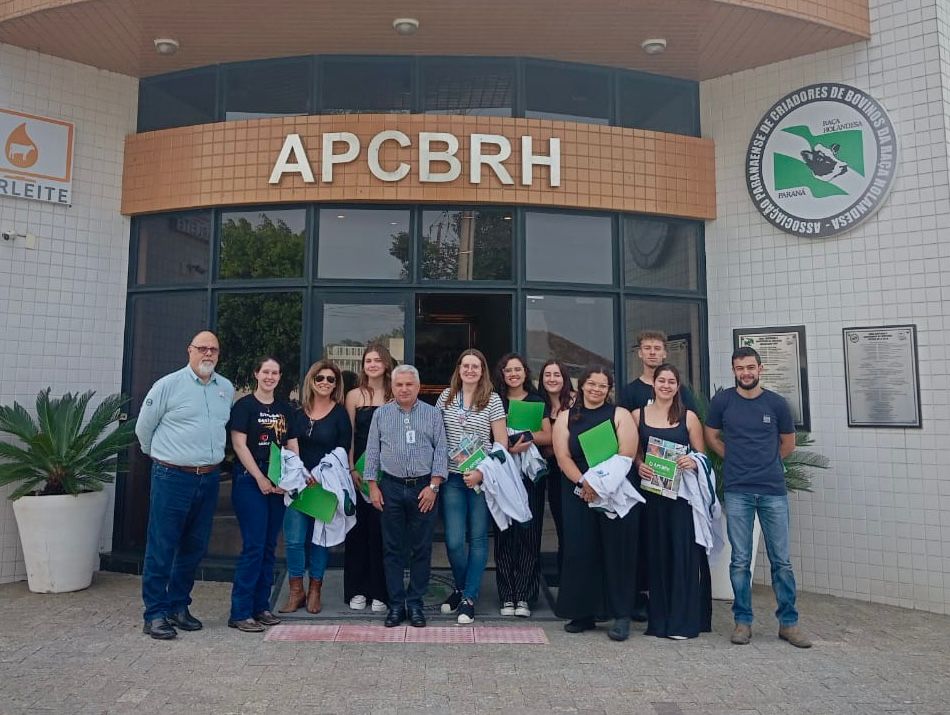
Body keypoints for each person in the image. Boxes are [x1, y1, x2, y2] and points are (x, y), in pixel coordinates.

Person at [704, 346, 812, 648]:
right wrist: (732, 457)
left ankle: (788, 624)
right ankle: (743, 622)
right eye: (740, 368)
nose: (746, 373)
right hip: (738, 490)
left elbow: (788, 444)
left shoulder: (776, 404)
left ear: (760, 369)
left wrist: (768, 463)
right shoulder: (723, 401)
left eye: (750, 367)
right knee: (740, 560)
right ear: (734, 370)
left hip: (772, 491)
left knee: (782, 561)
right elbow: (710, 435)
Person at [135, 331, 235, 640]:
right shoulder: (168, 385)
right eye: (202, 348)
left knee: (194, 547)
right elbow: (144, 429)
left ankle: (179, 606)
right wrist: (166, 458)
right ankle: (154, 613)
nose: (208, 354)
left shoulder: (225, 388)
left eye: (213, 350)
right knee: (162, 546)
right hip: (172, 477)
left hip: (208, 477)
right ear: (189, 350)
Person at [553, 365, 640, 641]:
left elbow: (627, 453)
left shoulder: (620, 415)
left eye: (603, 386)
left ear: (609, 389)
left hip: (614, 491)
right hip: (579, 492)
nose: (596, 389)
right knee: (580, 550)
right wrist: (584, 484)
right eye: (592, 384)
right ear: (582, 386)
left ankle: (621, 615)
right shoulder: (566, 417)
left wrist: (600, 484)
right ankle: (583, 613)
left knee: (617, 552)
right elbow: (563, 457)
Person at [619, 329, 697, 621]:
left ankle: (667, 598)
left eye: (657, 348)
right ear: (639, 353)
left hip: (675, 486)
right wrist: (638, 464)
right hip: (642, 481)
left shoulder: (681, 392)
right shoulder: (629, 393)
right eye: (647, 348)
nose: (652, 352)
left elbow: (691, 435)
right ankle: (641, 597)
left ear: (665, 353)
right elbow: (624, 433)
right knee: (642, 540)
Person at [363, 365, 448, 628]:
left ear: (418, 386)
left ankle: (416, 604)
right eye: (399, 384)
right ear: (393, 386)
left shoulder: (433, 414)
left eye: (409, 384)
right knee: (392, 549)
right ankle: (396, 605)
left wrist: (434, 486)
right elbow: (372, 452)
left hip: (423, 489)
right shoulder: (381, 414)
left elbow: (441, 451)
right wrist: (373, 487)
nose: (404, 389)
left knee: (421, 548)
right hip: (390, 487)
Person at [632, 363, 710, 639]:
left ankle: (681, 623)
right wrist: (639, 464)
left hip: (681, 500)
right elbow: (634, 452)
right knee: (657, 555)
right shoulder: (637, 415)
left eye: (671, 382)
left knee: (681, 555)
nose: (666, 385)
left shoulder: (688, 418)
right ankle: (659, 622)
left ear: (678, 387)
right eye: (661, 380)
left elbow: (704, 457)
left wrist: (693, 460)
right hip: (651, 496)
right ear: (653, 384)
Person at [436, 349, 507, 625]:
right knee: (454, 541)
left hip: (480, 477)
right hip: (453, 477)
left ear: (482, 370)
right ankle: (461, 586)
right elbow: (437, 434)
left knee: (478, 539)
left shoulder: (492, 399)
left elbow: (501, 444)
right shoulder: (446, 396)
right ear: (459, 368)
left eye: (475, 366)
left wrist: (480, 472)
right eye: (465, 365)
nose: (470, 370)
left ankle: (468, 598)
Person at [227, 357, 298, 633]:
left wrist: (289, 479)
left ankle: (261, 607)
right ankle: (240, 611)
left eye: (275, 373)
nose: (270, 376)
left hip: (278, 486)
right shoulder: (244, 406)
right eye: (265, 372)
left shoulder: (284, 409)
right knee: (254, 546)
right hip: (250, 482)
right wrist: (260, 477)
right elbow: (239, 444)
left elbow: (292, 445)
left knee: (269, 546)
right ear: (256, 374)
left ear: (280, 377)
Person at [279, 359, 352, 615]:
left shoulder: (340, 414)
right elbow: (288, 446)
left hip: (324, 485)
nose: (324, 383)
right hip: (299, 484)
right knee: (295, 540)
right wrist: (301, 472)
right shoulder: (296, 413)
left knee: (320, 540)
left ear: (336, 384)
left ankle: (315, 591)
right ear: (311, 380)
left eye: (330, 379)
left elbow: (343, 449)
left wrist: (321, 473)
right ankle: (296, 591)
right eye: (319, 378)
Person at [491, 353, 552, 617]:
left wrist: (524, 438)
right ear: (502, 374)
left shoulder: (537, 401)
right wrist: (508, 443)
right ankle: (507, 595)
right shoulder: (495, 400)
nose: (513, 374)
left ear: (525, 372)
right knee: (504, 532)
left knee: (529, 532)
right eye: (508, 370)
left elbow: (547, 434)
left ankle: (525, 596)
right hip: (504, 473)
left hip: (530, 475)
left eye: (518, 369)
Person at [343, 344, 393, 614]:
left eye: (377, 360)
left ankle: (380, 592)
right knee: (357, 532)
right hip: (359, 472)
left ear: (386, 363)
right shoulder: (353, 396)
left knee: (381, 534)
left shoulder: (396, 394)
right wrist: (352, 469)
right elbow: (349, 436)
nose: (372, 364)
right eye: (368, 361)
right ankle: (357, 589)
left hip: (387, 473)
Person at [539, 359, 574, 579]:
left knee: (576, 526)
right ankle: (565, 577)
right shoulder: (538, 404)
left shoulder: (576, 401)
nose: (552, 379)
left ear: (564, 378)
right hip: (552, 471)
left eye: (557, 374)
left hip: (577, 470)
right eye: (548, 375)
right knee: (562, 523)